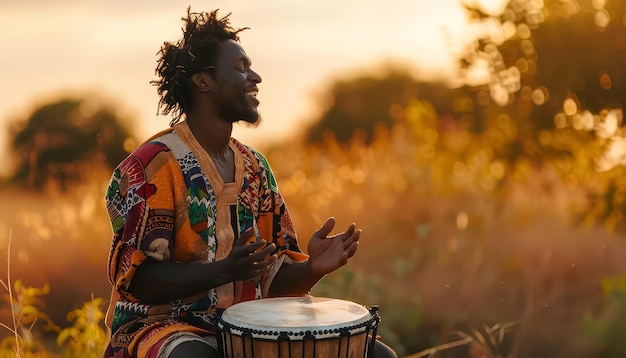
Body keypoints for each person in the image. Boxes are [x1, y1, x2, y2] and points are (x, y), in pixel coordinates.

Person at [103, 8, 397, 358]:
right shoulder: (153, 166)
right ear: (202, 81)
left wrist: (313, 267)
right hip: (162, 326)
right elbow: (138, 282)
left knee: (377, 355)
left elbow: (270, 282)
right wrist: (222, 272)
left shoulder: (255, 168)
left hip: (248, 324)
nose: (255, 77)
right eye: (241, 68)